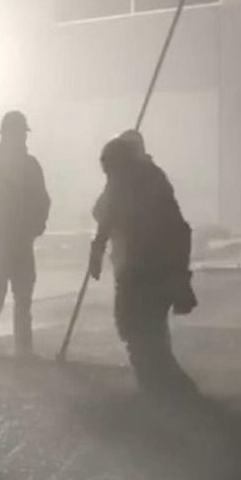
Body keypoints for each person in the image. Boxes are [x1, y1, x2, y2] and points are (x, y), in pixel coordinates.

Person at [88, 133, 199, 396]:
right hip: (145, 272)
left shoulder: (137, 184)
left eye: (109, 170)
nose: (108, 176)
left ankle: (168, 393)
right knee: (146, 335)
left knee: (139, 334)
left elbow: (106, 214)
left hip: (143, 273)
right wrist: (98, 247)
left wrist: (179, 275)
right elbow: (104, 217)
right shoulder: (139, 179)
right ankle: (162, 392)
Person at [0, 110, 50, 361]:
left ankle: (12, 350)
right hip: (0, 243)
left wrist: (34, 226)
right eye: (19, 134)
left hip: (12, 243)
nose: (21, 139)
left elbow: (43, 202)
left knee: (17, 300)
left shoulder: (20, 165)